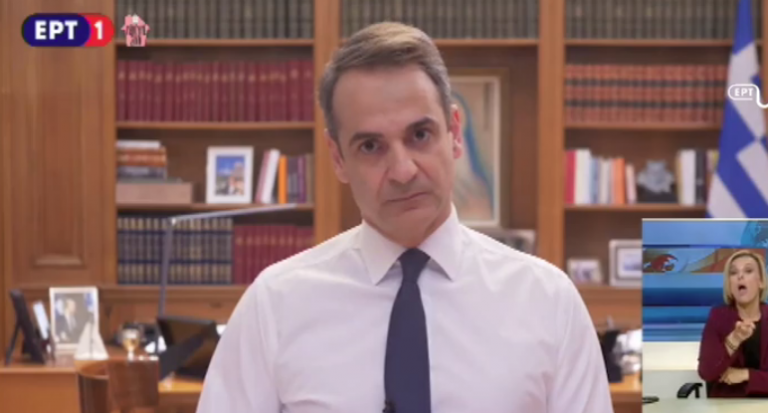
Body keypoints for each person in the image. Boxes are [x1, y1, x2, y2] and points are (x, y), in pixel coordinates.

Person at [197, 22, 613, 413]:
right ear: (338, 158)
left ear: (454, 132)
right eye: (371, 146)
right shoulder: (274, 304)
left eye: (419, 135)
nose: (402, 171)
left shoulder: (548, 302)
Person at [698, 249, 768, 397]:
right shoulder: (718, 317)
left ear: (761, 282)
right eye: (733, 273)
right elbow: (706, 372)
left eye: (748, 271)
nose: (740, 276)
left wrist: (747, 374)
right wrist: (734, 340)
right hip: (728, 403)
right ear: (729, 285)